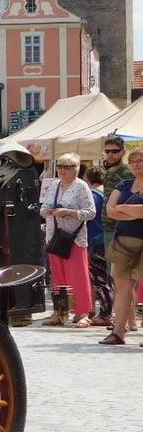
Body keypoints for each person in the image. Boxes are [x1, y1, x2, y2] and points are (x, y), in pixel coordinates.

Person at [40, 153, 95, 327]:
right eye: (61, 166)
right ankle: (60, 313)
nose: (63, 170)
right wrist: (46, 211)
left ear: (76, 169)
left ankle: (83, 313)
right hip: (54, 236)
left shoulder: (81, 187)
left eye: (68, 166)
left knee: (79, 276)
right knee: (58, 277)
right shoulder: (54, 185)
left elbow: (91, 213)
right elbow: (42, 208)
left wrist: (69, 212)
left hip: (74, 238)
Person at [100, 148, 143, 345]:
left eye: (141, 160)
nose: (136, 164)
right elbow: (110, 210)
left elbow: (120, 209)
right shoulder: (124, 184)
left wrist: (124, 208)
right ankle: (118, 332)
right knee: (121, 288)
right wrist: (135, 211)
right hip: (124, 239)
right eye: (133, 161)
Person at [85, 167, 113, 325]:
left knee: (100, 279)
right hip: (109, 239)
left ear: (88, 178)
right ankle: (110, 312)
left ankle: (105, 314)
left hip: (95, 240)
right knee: (110, 279)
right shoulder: (108, 193)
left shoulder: (92, 195)